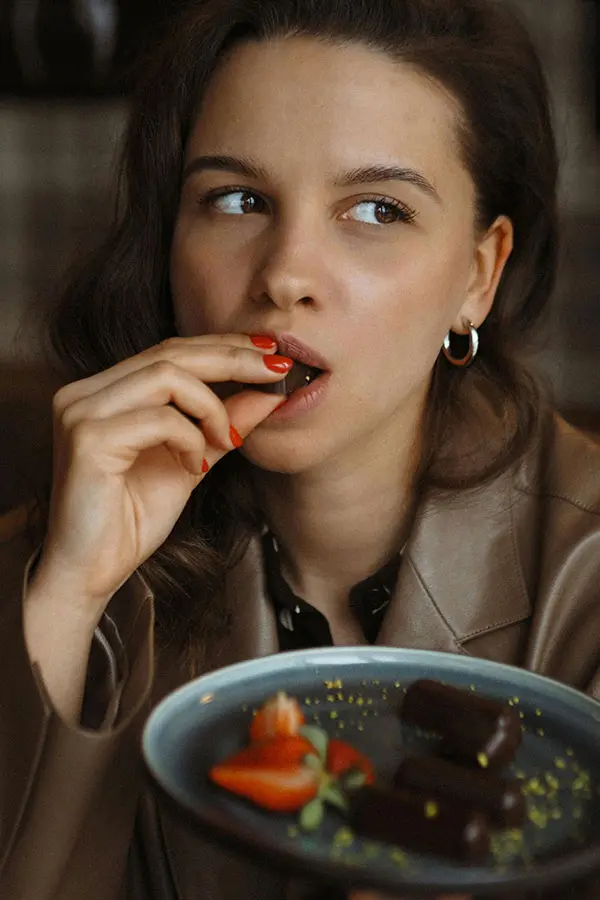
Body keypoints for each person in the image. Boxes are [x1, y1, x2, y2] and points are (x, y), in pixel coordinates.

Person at [1, 0, 599, 898]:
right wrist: (69, 595)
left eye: (375, 209)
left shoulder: (587, 579)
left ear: (478, 275)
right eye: (236, 200)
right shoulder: (58, 553)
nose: (284, 273)